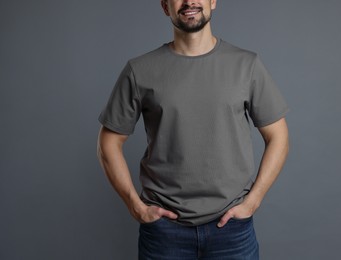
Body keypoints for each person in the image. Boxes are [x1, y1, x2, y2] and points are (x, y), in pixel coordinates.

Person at [97, 0, 289, 259]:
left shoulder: (247, 65)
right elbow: (108, 143)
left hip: (232, 230)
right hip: (164, 234)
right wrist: (137, 207)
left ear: (213, 1)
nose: (189, 1)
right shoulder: (139, 70)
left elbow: (278, 135)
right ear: (165, 6)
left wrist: (253, 201)